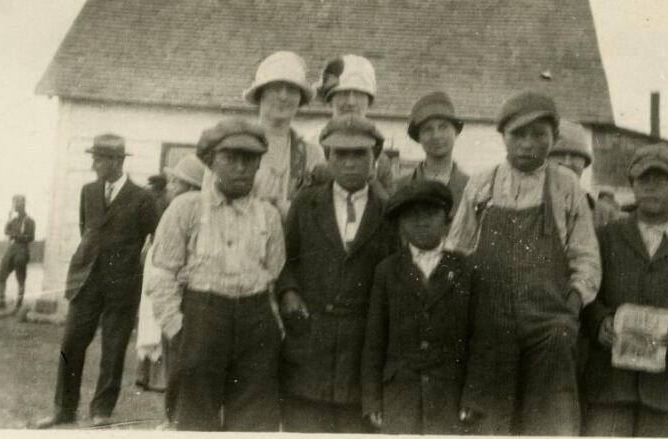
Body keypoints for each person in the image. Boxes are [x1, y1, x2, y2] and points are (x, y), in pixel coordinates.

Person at [449, 91, 601, 435]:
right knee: (488, 423)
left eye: (539, 135)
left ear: (554, 138)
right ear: (503, 136)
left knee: (549, 424)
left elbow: (586, 256)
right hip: (489, 325)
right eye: (519, 135)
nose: (528, 145)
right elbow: (457, 250)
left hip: (548, 327)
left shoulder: (567, 187)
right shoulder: (482, 185)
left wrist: (572, 305)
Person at [146, 119, 285, 431]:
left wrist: (272, 329)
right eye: (230, 159)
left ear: (258, 164)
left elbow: (275, 275)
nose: (240, 168)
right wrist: (179, 329)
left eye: (248, 160)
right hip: (203, 317)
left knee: (255, 418)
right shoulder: (186, 209)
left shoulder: (269, 216)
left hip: (256, 320)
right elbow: (162, 276)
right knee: (194, 417)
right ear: (210, 162)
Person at [581, 143, 668, 437]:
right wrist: (600, 322)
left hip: (667, 392)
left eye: (663, 180)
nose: (652, 187)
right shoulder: (606, 238)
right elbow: (587, 296)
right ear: (632, 186)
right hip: (610, 388)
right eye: (644, 179)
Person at [277, 114, 397, 433]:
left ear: (375, 158)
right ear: (328, 158)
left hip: (362, 356)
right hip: (308, 350)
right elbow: (284, 261)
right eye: (340, 155)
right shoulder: (305, 204)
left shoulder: (389, 212)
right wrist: (289, 292)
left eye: (360, 155)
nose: (350, 164)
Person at [35, 134, 159, 428]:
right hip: (86, 280)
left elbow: (154, 238)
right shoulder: (88, 191)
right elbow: (87, 231)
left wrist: (132, 266)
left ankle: (101, 411)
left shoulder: (143, 198)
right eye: (94, 157)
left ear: (116, 161)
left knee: (113, 350)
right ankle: (63, 410)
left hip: (122, 285)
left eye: (99, 158)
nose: (93, 163)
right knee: (71, 344)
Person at [361, 180, 475, 434]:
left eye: (431, 214)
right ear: (399, 225)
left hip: (449, 395)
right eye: (411, 216)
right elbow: (374, 341)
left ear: (447, 220)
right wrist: (372, 400)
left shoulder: (466, 269)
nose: (421, 222)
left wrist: (472, 397)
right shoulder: (387, 271)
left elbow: (481, 341)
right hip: (400, 395)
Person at [136, 154, 204, 427]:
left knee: (183, 361)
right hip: (167, 297)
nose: (170, 187)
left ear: (189, 187)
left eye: (175, 182)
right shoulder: (172, 212)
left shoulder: (197, 215)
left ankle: (180, 418)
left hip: (185, 299)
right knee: (173, 360)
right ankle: (172, 415)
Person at [242, 50, 325, 217]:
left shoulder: (312, 154)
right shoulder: (237, 145)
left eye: (292, 90)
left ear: (300, 99)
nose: (283, 96)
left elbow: (321, 210)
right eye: (276, 88)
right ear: (260, 94)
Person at [312, 54, 394, 199]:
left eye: (358, 94)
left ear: (369, 101)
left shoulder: (380, 160)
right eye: (343, 93)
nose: (351, 102)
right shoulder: (312, 150)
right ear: (330, 100)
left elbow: (390, 210)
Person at [394, 91, 469, 216]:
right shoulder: (400, 186)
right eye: (427, 129)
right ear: (419, 137)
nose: (436, 136)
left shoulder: (471, 187)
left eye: (443, 127)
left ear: (455, 132)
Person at [0, 195, 35, 310]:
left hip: (22, 250)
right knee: (0, 275)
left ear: (23, 204)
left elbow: (31, 237)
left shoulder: (29, 220)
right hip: (12, 249)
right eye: (14, 203)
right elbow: (6, 231)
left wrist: (15, 236)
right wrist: (9, 218)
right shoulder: (13, 220)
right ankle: (2, 302)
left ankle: (18, 304)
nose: (15, 206)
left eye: (17, 203)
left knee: (20, 278)